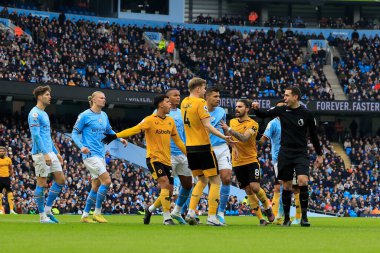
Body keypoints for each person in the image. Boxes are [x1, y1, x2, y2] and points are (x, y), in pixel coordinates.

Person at [102, 94, 186, 225]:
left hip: (167, 160)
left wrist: (189, 154)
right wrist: (115, 136)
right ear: (160, 104)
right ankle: (167, 218)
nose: (170, 104)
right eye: (167, 102)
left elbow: (178, 142)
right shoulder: (149, 120)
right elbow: (134, 130)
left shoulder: (170, 121)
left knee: (169, 190)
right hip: (154, 159)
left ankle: (150, 209)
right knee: (164, 184)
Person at [252, 86, 323, 227]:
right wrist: (256, 108)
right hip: (285, 152)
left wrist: (319, 154)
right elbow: (263, 114)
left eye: (287, 95)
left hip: (301, 152)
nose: (284, 98)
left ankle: (304, 217)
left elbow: (314, 136)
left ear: (295, 97)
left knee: (303, 181)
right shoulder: (281, 110)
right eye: (284, 95)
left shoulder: (307, 113)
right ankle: (286, 219)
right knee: (287, 185)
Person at [181, 77, 232, 226]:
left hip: (190, 148)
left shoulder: (184, 102)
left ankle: (191, 212)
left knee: (202, 180)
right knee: (215, 181)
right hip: (203, 146)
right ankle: (211, 216)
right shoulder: (201, 103)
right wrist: (225, 136)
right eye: (204, 88)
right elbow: (208, 126)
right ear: (198, 89)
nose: (205, 91)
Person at [72, 91, 128, 223]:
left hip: (100, 155)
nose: (104, 100)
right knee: (107, 181)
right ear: (94, 100)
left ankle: (85, 215)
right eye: (101, 98)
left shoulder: (104, 115)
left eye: (104, 98)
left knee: (96, 186)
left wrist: (120, 139)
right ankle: (97, 213)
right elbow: (74, 134)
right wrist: (81, 147)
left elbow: (109, 131)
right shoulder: (84, 115)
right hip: (90, 155)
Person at [221, 99, 274, 226]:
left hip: (251, 160)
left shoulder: (253, 124)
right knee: (248, 191)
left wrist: (229, 129)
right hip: (237, 162)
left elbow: (244, 138)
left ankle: (267, 207)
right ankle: (261, 219)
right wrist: (232, 146)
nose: (237, 109)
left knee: (255, 187)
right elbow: (229, 139)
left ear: (247, 109)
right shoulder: (232, 121)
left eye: (240, 107)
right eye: (236, 106)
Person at [259, 100, 301, 225]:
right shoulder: (273, 123)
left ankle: (297, 217)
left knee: (293, 187)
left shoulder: (292, 121)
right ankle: (279, 215)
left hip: (293, 157)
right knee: (281, 187)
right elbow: (263, 139)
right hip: (279, 159)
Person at [28, 85, 65, 223]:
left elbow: (47, 136)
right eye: (47, 95)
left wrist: (56, 152)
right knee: (42, 184)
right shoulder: (34, 113)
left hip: (49, 152)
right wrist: (45, 154)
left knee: (61, 179)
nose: (50, 97)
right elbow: (36, 136)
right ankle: (42, 216)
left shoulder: (44, 113)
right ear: (39, 96)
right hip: (40, 153)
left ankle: (48, 209)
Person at [163, 89, 193, 225]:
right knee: (168, 187)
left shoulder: (183, 113)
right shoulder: (161, 113)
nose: (178, 97)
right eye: (175, 95)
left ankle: (177, 210)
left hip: (183, 153)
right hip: (168, 154)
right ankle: (166, 216)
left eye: (179, 95)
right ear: (167, 98)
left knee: (188, 185)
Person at [205, 87, 232, 225]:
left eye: (219, 96)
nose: (218, 99)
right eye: (215, 96)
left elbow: (224, 127)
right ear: (207, 97)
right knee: (212, 182)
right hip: (207, 149)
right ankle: (212, 212)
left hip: (222, 147)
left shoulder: (221, 111)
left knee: (226, 178)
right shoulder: (201, 110)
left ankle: (221, 212)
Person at [0, 146, 17, 214]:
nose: (1, 152)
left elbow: (11, 169)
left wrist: (12, 177)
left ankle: (11, 210)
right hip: (0, 178)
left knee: (10, 194)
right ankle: (1, 210)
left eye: (2, 151)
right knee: (0, 194)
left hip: (7, 178)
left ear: (5, 152)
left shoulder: (8, 159)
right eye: (0, 151)